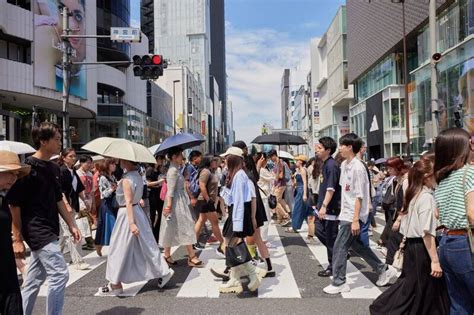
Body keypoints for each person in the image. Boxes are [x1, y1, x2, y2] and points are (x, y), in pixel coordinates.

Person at [8, 122, 82, 315]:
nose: (60, 143)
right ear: (43, 141)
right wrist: (16, 238)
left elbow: (58, 199)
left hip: (50, 228)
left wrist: (72, 224)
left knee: (33, 281)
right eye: (56, 139)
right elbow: (14, 204)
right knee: (60, 274)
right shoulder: (27, 169)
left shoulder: (54, 168)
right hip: (36, 230)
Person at [370, 158, 450, 314]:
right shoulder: (426, 197)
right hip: (422, 248)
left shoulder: (413, 194)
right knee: (419, 287)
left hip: (411, 246)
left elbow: (409, 226)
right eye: (435, 175)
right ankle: (383, 309)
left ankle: (384, 308)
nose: (437, 179)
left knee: (415, 285)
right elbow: (427, 233)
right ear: (427, 176)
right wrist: (435, 260)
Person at [323, 133, 396, 294]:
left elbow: (359, 195)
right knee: (357, 246)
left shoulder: (358, 167)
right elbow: (345, 191)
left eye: (342, 145)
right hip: (346, 213)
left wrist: (355, 219)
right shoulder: (344, 165)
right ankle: (383, 268)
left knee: (339, 247)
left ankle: (339, 281)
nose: (339, 148)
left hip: (353, 215)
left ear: (350, 147)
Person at [97, 158, 174, 296]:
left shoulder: (127, 178)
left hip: (127, 214)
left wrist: (131, 223)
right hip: (136, 211)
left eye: (120, 160)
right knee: (145, 245)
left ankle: (116, 283)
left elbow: (127, 201)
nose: (118, 161)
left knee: (118, 247)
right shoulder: (137, 175)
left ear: (126, 161)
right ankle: (163, 271)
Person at [434, 128, 474, 314]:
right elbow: (472, 213)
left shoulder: (443, 180)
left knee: (459, 303)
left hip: (446, 243)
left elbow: (437, 214)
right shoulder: (470, 173)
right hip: (466, 243)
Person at [218, 147, 261, 294]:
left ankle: (252, 274)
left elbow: (239, 201)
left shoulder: (240, 176)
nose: (224, 160)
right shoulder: (236, 175)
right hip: (237, 215)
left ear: (233, 159)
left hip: (238, 215)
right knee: (230, 245)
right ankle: (235, 278)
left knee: (234, 244)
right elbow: (233, 199)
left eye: (226, 157)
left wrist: (237, 223)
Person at [160, 147, 204, 268]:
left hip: (179, 201)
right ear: (174, 157)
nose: (182, 158)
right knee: (186, 227)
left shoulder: (176, 169)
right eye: (180, 155)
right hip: (175, 203)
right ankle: (191, 256)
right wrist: (169, 206)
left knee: (172, 228)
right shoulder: (173, 171)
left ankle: (168, 255)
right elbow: (170, 191)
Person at [0, 151, 30, 315]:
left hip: (7, 266)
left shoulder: (3, 198)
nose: (14, 178)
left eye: (16, 174)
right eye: (10, 173)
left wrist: (14, 242)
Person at [57, 148, 90, 269]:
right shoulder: (61, 171)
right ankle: (78, 261)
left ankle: (55, 260)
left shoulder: (73, 171)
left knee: (62, 236)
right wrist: (65, 204)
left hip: (73, 205)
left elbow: (79, 188)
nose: (73, 158)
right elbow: (59, 190)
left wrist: (85, 200)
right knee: (72, 233)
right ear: (64, 157)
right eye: (70, 156)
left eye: (74, 156)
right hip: (64, 207)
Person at [314, 137, 341, 277]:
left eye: (319, 148)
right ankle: (340, 253)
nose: (316, 150)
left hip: (330, 209)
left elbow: (331, 189)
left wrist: (324, 206)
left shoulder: (332, 165)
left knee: (331, 238)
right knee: (320, 231)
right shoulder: (325, 164)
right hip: (323, 207)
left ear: (328, 150)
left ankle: (333, 265)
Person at [194, 155, 226, 257]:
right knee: (215, 222)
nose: (216, 162)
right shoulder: (206, 171)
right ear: (208, 161)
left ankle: (192, 243)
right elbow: (202, 185)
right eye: (214, 161)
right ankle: (223, 244)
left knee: (201, 220)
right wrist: (208, 199)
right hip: (205, 200)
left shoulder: (210, 171)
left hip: (206, 200)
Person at [94, 158, 118, 257]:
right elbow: (103, 194)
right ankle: (100, 245)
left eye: (114, 164)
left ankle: (100, 245)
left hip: (114, 204)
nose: (114, 166)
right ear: (107, 165)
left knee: (111, 227)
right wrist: (112, 189)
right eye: (112, 164)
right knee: (109, 226)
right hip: (107, 205)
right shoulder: (103, 178)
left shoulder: (113, 176)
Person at [286, 155, 314, 236]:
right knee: (303, 210)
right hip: (299, 189)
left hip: (302, 190)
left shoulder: (302, 170)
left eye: (297, 160)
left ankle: (295, 227)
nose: (295, 162)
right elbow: (296, 182)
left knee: (297, 209)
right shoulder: (298, 170)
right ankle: (309, 228)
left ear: (301, 161)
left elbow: (305, 182)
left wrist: (305, 194)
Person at [76, 154, 95, 250]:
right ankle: (89, 241)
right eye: (87, 163)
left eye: (90, 163)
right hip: (80, 201)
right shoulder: (77, 174)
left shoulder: (90, 174)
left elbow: (92, 190)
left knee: (88, 221)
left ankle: (87, 239)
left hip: (89, 200)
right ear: (81, 163)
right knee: (85, 220)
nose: (89, 165)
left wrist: (93, 203)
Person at [255, 152, 275, 244]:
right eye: (265, 159)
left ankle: (261, 239)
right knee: (266, 218)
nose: (266, 161)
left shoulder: (261, 169)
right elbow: (274, 178)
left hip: (261, 196)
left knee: (263, 218)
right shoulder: (261, 170)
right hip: (262, 196)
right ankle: (263, 240)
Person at [146, 155, 166, 243]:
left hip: (159, 194)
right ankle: (152, 236)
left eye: (161, 159)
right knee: (152, 216)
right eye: (159, 159)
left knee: (161, 215)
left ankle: (156, 235)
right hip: (152, 195)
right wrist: (159, 182)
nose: (161, 161)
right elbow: (148, 183)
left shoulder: (158, 170)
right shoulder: (150, 170)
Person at [268, 149, 291, 225]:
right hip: (279, 184)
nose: (270, 159)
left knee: (276, 201)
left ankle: (285, 216)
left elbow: (280, 175)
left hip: (280, 184)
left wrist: (275, 175)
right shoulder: (277, 162)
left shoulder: (279, 163)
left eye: (271, 157)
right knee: (280, 200)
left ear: (274, 155)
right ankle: (280, 218)